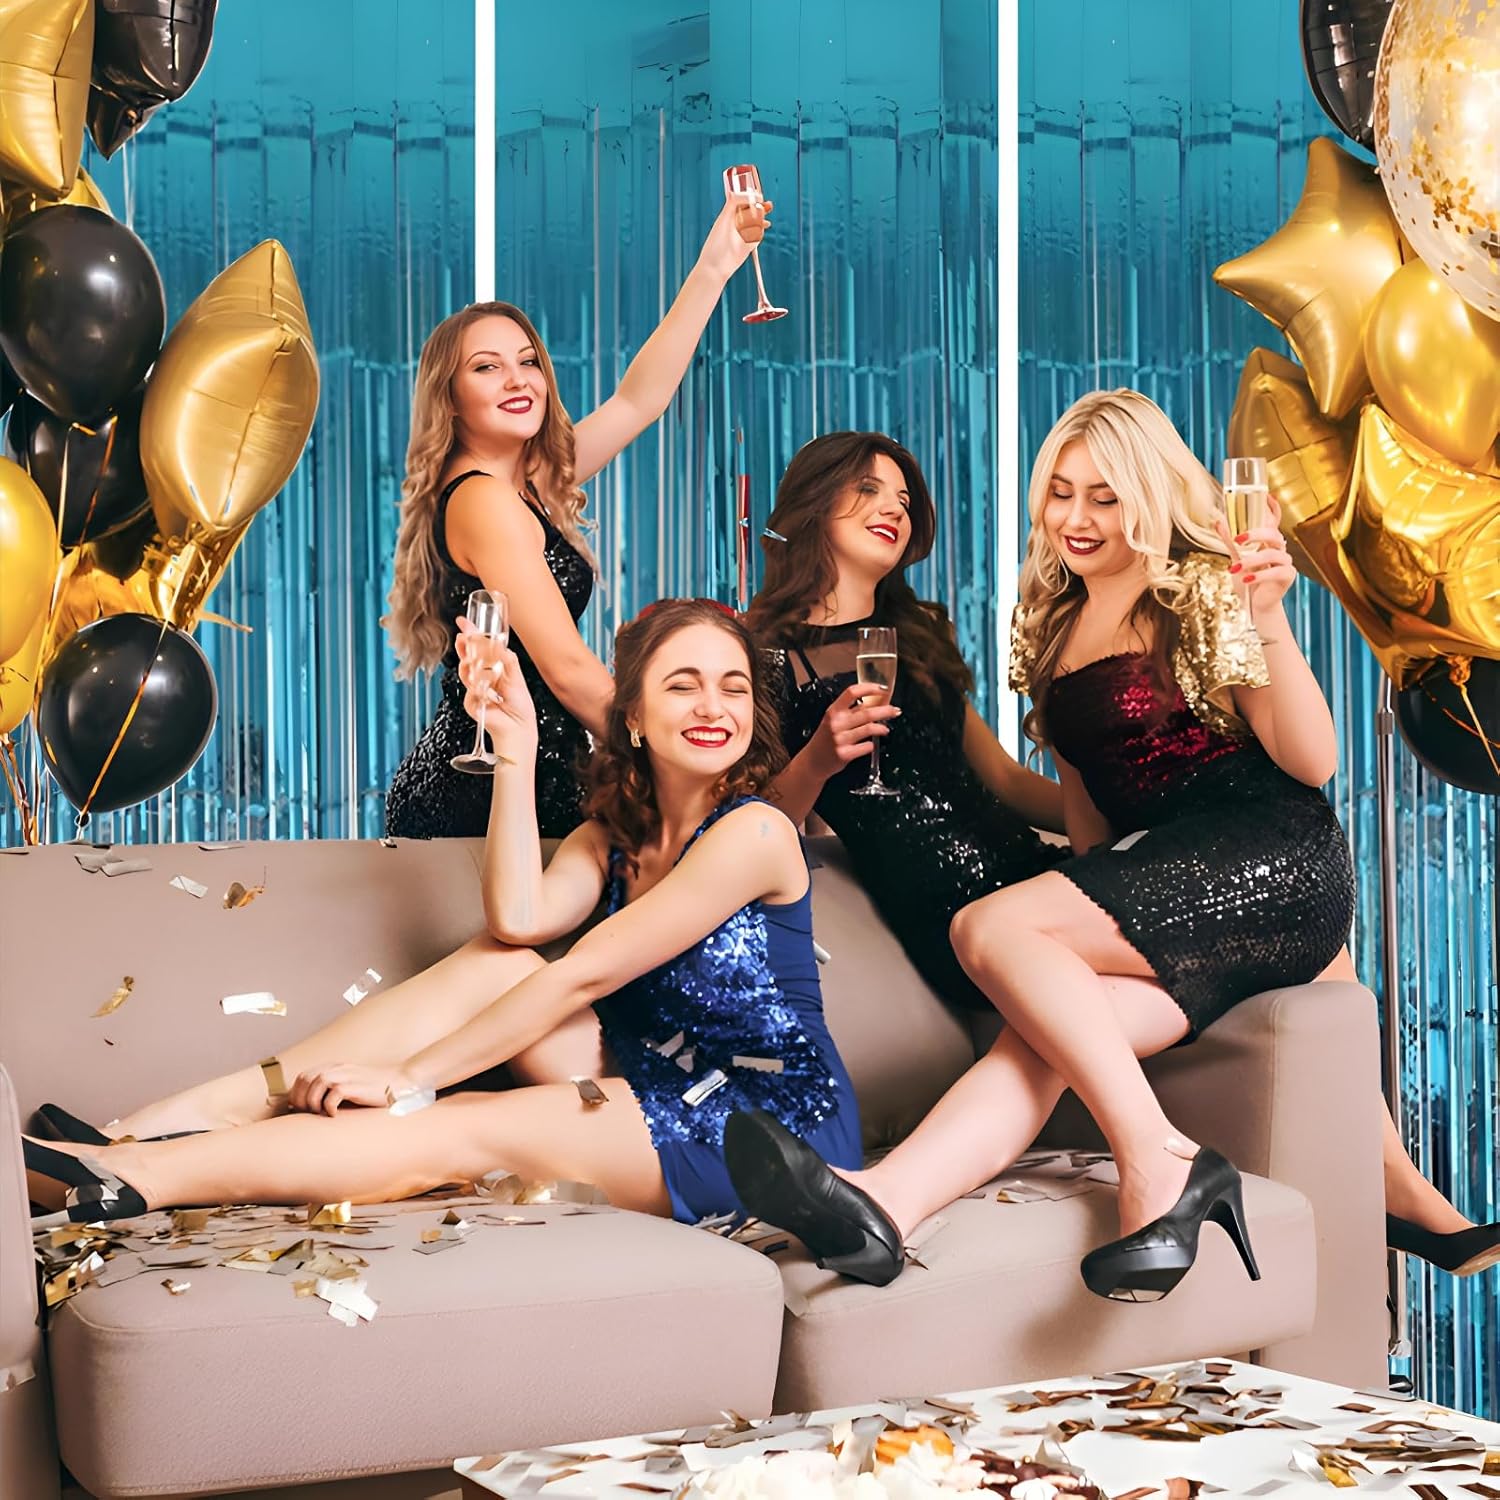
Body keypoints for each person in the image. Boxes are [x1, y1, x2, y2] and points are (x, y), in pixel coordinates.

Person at [725, 390, 1496, 1294]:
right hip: (1180, 886)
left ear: (1150, 497)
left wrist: (1269, 618)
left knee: (990, 927)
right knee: (1043, 1039)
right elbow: (1092, 822)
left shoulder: (1203, 591)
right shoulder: (1050, 631)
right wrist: (1083, 911)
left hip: (1274, 850)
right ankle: (887, 1203)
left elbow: (1314, 762)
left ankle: (1162, 1161)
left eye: (1105, 496)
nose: (1077, 518)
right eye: (1060, 494)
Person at [26, 602, 865, 1239]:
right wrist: (516, 750)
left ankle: (145, 1174)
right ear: (635, 718)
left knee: (457, 1124)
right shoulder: (613, 836)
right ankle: (156, 1126)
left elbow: (584, 973)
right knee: (499, 960)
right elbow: (518, 919)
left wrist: (411, 1078)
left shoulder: (755, 832)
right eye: (683, 685)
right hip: (653, 1070)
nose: (713, 706)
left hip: (767, 1122)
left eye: (733, 687)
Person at [383, 195, 772, 840]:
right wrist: (679, 763)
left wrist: (715, 266)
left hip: (541, 771)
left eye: (527, 361)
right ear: (449, 399)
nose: (518, 380)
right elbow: (566, 669)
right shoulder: (482, 500)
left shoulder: (526, 482)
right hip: (481, 794)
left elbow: (638, 401)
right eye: (487, 368)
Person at [746, 431, 1067, 1011]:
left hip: (1030, 874)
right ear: (815, 500)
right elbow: (755, 823)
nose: (894, 509)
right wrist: (818, 760)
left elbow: (1005, 779)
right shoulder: (764, 653)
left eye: (903, 500)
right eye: (868, 489)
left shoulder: (921, 633)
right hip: (947, 911)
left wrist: (1126, 818)